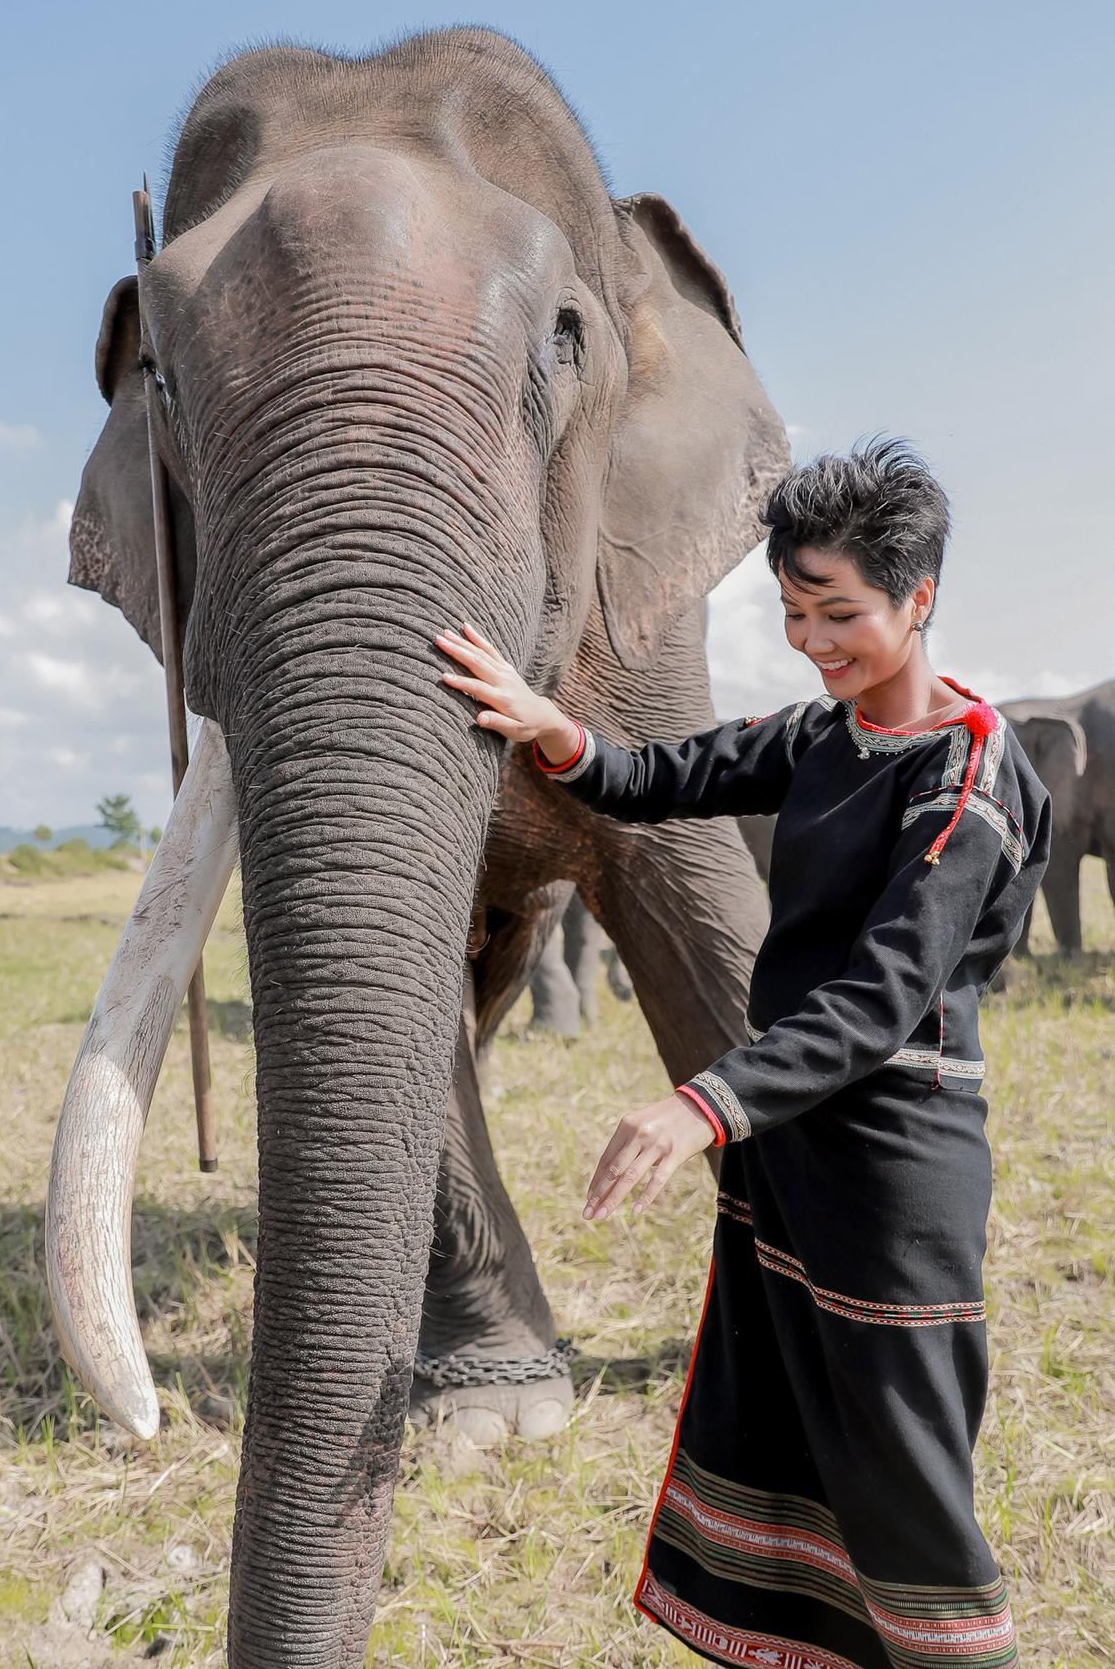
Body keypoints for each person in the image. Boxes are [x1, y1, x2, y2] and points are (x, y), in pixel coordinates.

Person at [435, 439, 1048, 1669]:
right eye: (793, 613)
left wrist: (698, 1107)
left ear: (918, 600)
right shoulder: (824, 735)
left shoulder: (968, 768)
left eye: (843, 614)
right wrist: (560, 734)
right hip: (795, 1147)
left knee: (904, 1458)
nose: (817, 641)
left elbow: (882, 997)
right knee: (787, 1420)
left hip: (893, 1170)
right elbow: (665, 775)